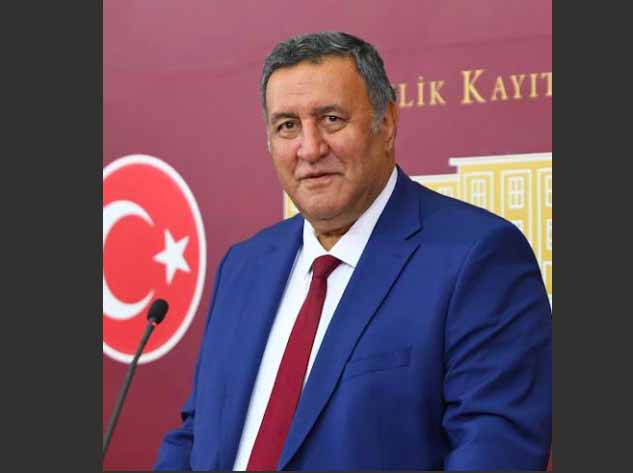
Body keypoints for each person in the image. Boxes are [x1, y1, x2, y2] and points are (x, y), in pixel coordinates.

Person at [154, 31, 552, 471]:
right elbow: (196, 434)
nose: (310, 148)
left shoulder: (477, 258)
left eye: (331, 119)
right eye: (287, 126)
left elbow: (495, 450)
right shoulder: (243, 266)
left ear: (388, 123)